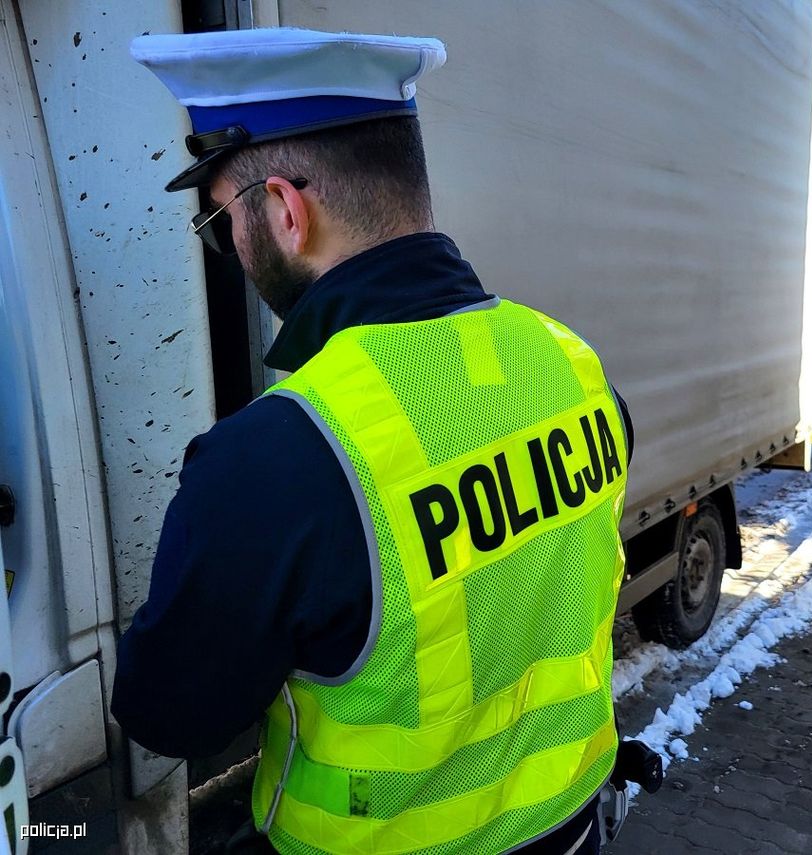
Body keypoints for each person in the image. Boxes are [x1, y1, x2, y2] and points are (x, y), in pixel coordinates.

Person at [112, 27, 635, 855]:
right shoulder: (572, 363)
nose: (229, 249)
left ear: (285, 210)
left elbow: (169, 714)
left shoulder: (278, 454)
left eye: (221, 223)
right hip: (569, 828)